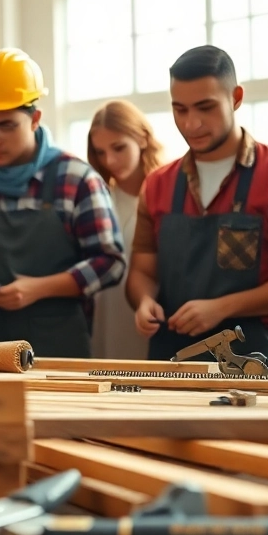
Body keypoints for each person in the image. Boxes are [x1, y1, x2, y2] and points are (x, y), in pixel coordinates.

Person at [127, 45, 268, 361]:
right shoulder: (158, 183)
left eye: (206, 108)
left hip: (253, 355)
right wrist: (144, 301)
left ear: (236, 97)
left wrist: (223, 307)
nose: (191, 124)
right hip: (170, 355)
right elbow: (142, 272)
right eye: (180, 109)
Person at [0, 50, 124, 357]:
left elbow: (110, 262)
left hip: (59, 351)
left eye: (5, 126)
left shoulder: (76, 179)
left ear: (34, 119)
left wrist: (39, 288)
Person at [88, 100, 164, 359]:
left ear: (142, 138)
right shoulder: (98, 201)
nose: (109, 160)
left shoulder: (169, 195)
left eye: (119, 148)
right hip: (105, 319)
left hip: (154, 317)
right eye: (100, 152)